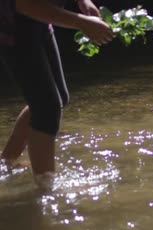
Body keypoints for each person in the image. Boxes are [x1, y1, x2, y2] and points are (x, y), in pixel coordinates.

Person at [0, 0, 114, 188]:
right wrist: (81, 22)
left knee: (57, 98)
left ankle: (6, 163)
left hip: (40, 24)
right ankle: (45, 188)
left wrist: (84, 2)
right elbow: (23, 4)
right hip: (13, 28)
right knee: (47, 108)